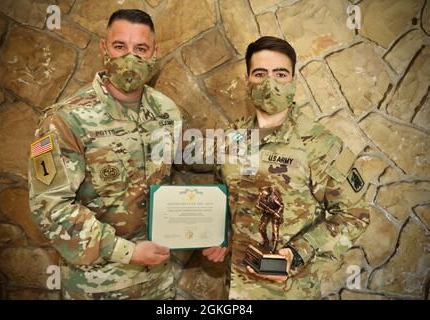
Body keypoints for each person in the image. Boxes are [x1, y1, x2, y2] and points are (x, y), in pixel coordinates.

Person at [28, 9, 183, 300]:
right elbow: (49, 206)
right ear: (104, 48)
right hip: (98, 286)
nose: (130, 57)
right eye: (119, 46)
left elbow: (164, 185)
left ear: (154, 54)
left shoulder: (166, 111)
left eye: (141, 49)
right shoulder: (63, 119)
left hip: (159, 282)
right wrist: (127, 251)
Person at [215, 36, 370, 299]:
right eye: (260, 73)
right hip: (234, 288)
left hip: (288, 291)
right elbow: (226, 193)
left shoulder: (320, 144)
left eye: (280, 74)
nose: (270, 83)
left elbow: (354, 216)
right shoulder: (234, 134)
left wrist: (297, 253)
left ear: (293, 81)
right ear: (247, 81)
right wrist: (218, 234)